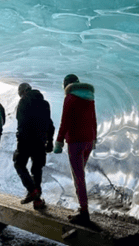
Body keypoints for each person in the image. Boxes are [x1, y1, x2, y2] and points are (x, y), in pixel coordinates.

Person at [53, 74, 97, 225]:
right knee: (80, 175)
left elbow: (64, 121)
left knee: (78, 177)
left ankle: (84, 212)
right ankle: (82, 208)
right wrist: (94, 138)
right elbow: (94, 119)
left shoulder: (70, 98)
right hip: (88, 142)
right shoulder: (89, 97)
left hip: (76, 142)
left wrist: (58, 141)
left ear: (66, 84)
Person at [14, 83, 55, 210]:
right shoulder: (45, 103)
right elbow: (50, 125)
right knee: (37, 170)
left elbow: (21, 122)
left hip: (26, 140)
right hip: (40, 141)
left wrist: (21, 138)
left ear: (22, 92)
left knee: (19, 164)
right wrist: (50, 141)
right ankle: (37, 201)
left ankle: (32, 191)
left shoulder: (23, 101)